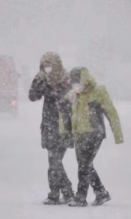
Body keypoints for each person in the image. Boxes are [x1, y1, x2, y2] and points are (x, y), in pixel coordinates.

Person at [64, 67, 123, 207]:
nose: (75, 85)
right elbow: (65, 113)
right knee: (85, 165)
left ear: (85, 80)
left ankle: (80, 198)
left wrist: (118, 135)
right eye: (73, 83)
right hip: (79, 134)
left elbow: (111, 112)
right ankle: (101, 192)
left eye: (77, 82)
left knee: (84, 165)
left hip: (94, 133)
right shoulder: (74, 95)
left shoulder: (98, 92)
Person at [29, 52, 74, 205]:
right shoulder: (43, 79)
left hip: (63, 124)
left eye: (50, 65)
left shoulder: (66, 80)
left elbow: (65, 99)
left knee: (55, 161)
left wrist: (50, 89)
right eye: (44, 66)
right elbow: (33, 97)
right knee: (54, 161)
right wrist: (38, 81)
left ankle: (62, 192)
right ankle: (57, 193)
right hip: (49, 125)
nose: (47, 69)